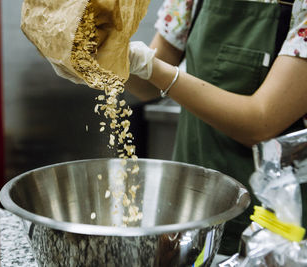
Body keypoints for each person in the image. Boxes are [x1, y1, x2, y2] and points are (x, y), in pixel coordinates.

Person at [126, 0, 307, 255]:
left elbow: (261, 122)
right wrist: (108, 54)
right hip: (190, 212)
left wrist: (154, 69)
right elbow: (147, 86)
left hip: (273, 228)